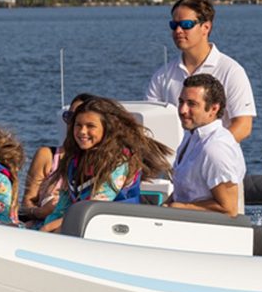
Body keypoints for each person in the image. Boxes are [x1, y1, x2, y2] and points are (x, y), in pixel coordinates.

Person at [41, 97, 172, 232]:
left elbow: (94, 207)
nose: (82, 131)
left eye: (90, 126)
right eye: (78, 125)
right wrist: (44, 226)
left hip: (115, 226)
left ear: (107, 128)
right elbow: (63, 206)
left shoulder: (120, 161)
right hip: (80, 221)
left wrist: (48, 228)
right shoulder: (74, 159)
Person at [145, 0, 256, 143]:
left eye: (186, 25)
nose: (178, 30)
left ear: (206, 27)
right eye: (174, 25)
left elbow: (243, 126)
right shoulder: (161, 76)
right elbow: (149, 125)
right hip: (175, 164)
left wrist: (206, 151)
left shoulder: (231, 71)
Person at [169, 74, 246, 217]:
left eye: (192, 104)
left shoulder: (215, 148)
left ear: (214, 109)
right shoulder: (192, 136)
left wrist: (179, 207)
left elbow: (229, 209)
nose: (182, 110)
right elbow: (188, 191)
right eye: (181, 102)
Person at [20, 91, 94, 226]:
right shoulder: (47, 155)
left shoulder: (99, 163)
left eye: (85, 122)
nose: (75, 124)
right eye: (70, 116)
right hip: (41, 224)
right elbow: (26, 203)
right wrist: (40, 212)